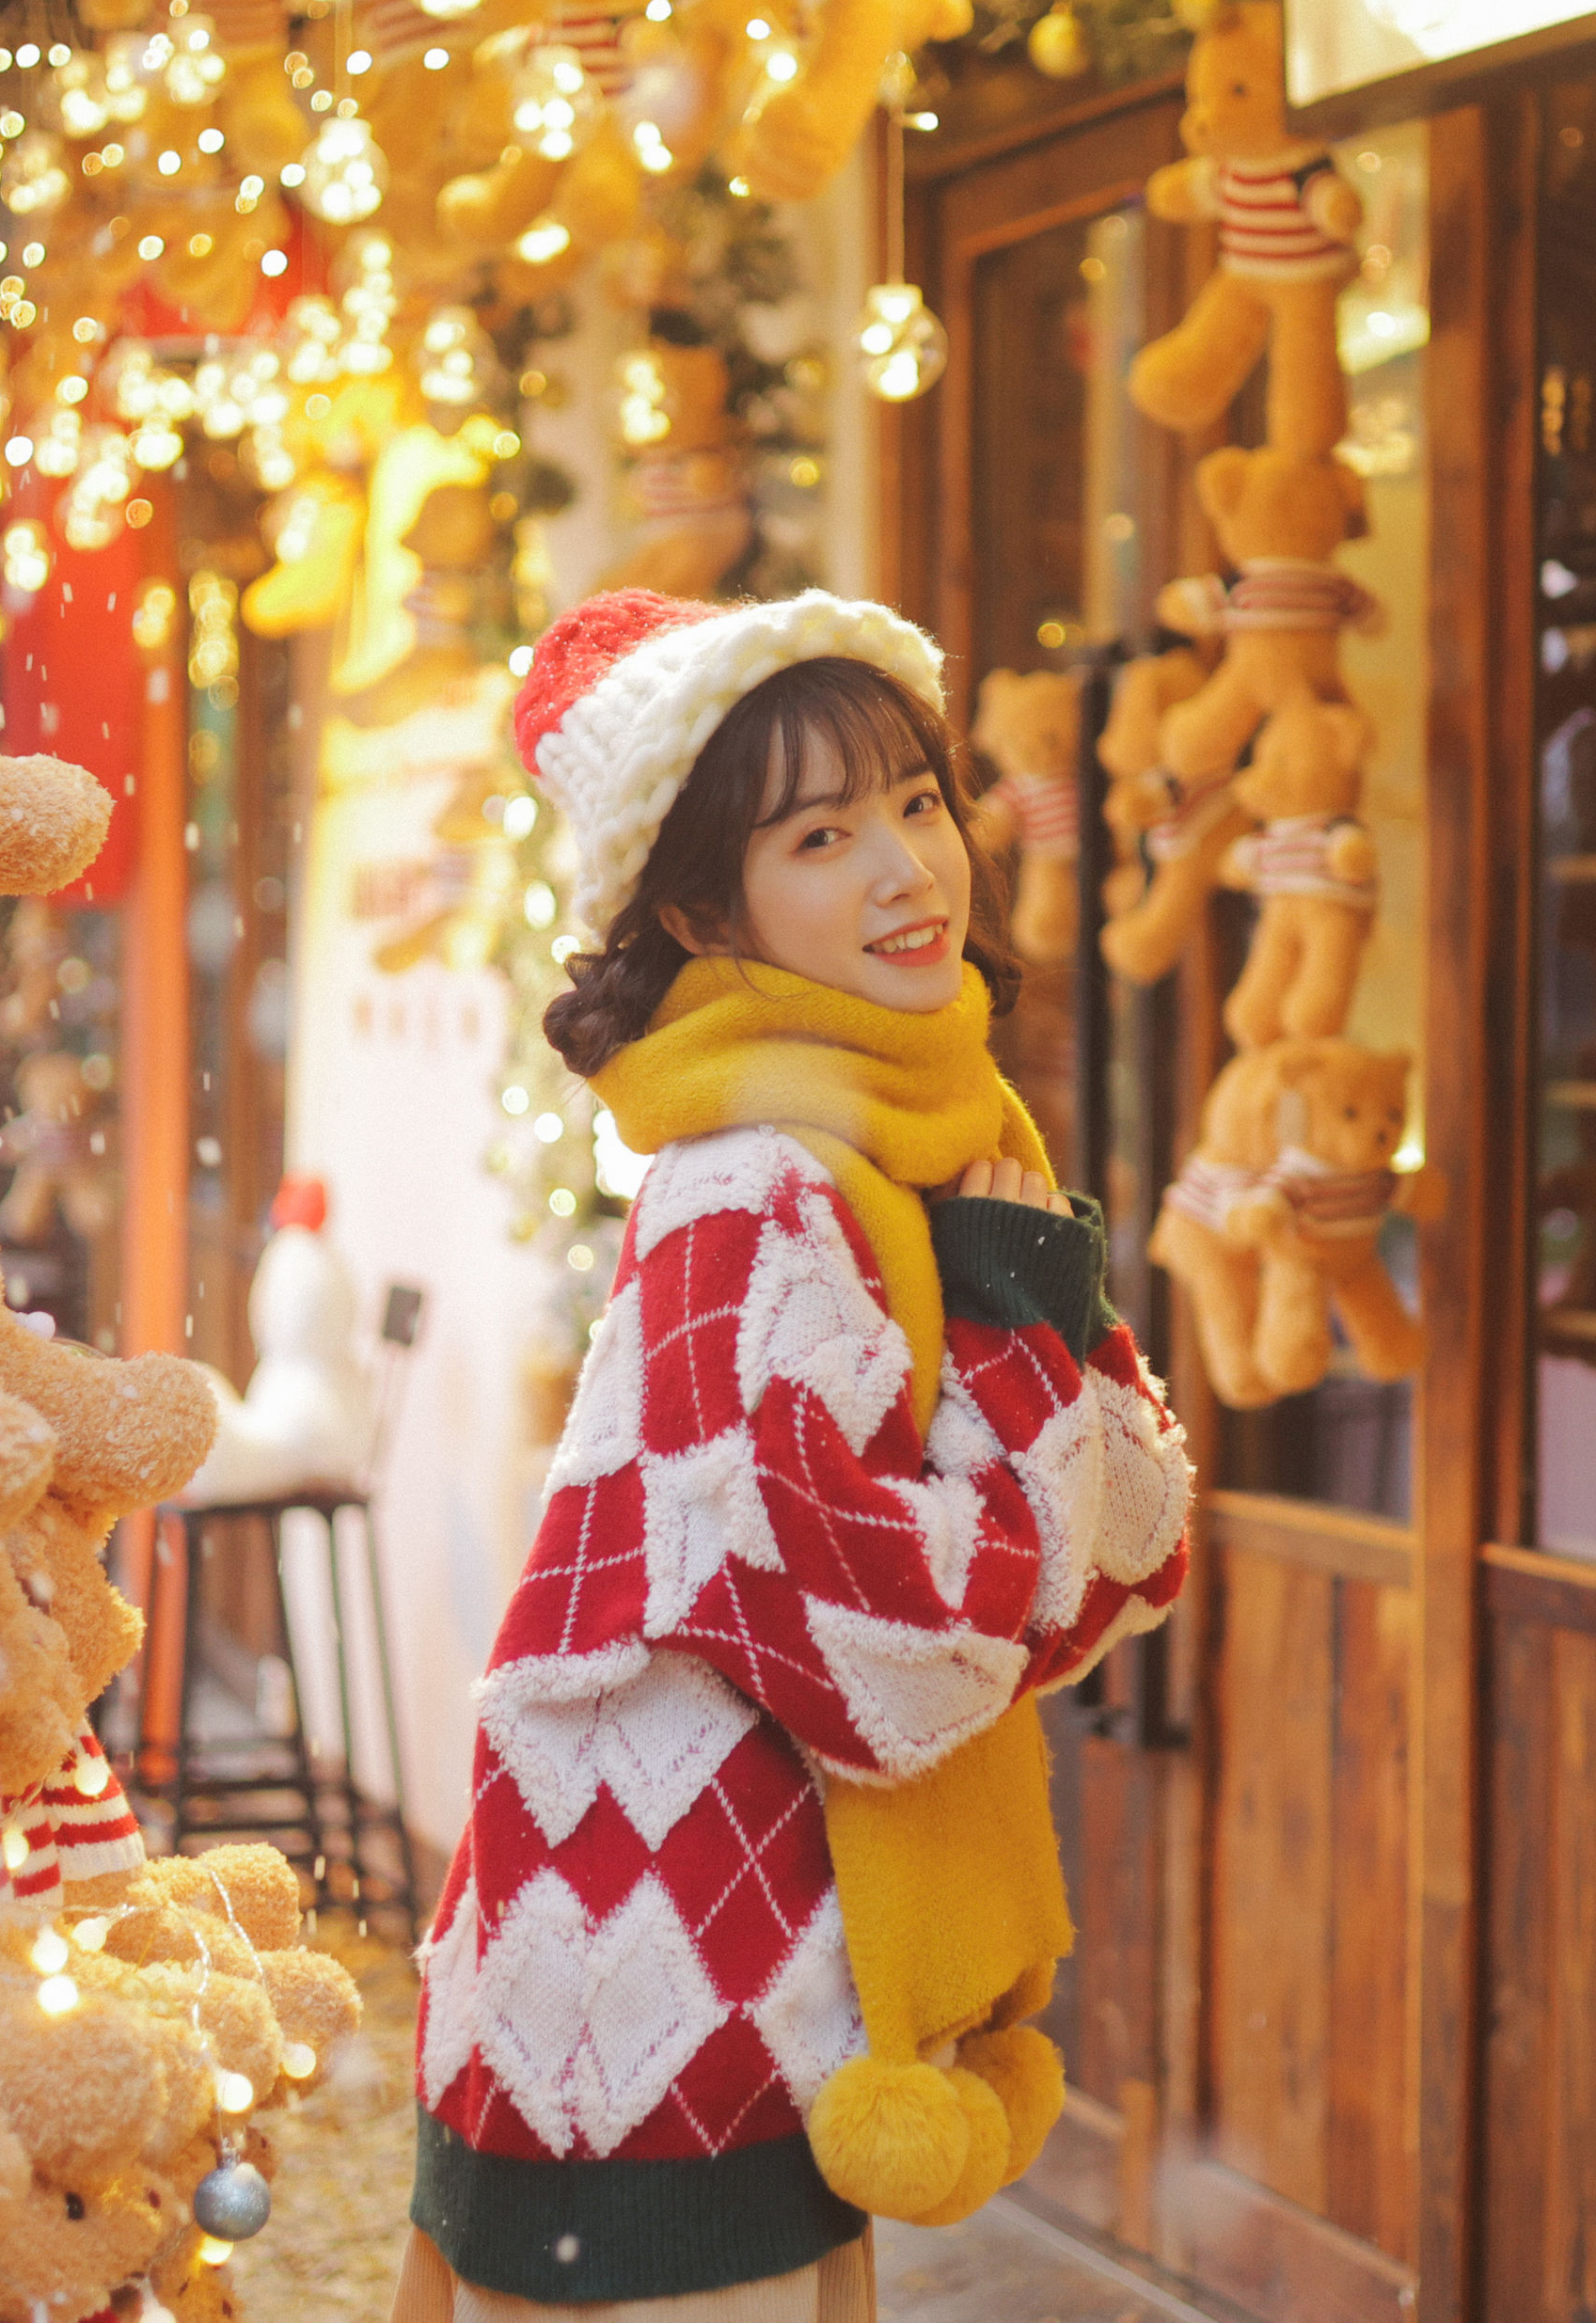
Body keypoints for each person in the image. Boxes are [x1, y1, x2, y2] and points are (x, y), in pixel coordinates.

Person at [395, 591, 1196, 2321]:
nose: (909, 869)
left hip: (749, 1982)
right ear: (702, 905)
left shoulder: (915, 1136)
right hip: (656, 1995)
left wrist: (1018, 1347)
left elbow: (1126, 1551)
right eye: (822, 835)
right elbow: (894, 1659)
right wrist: (1011, 1334)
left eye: (917, 801)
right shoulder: (753, 1193)